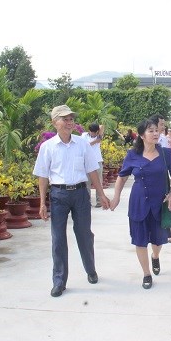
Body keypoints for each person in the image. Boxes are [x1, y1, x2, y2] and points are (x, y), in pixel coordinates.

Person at [33, 105, 111, 298]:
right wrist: (42, 203)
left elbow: (92, 170)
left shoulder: (82, 144)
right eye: (65, 119)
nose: (69, 123)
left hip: (80, 193)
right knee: (58, 238)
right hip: (58, 195)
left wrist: (101, 194)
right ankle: (59, 281)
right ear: (54, 122)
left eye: (71, 119)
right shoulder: (47, 147)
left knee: (84, 234)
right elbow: (42, 176)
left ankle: (90, 270)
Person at [110, 118, 171, 289]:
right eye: (151, 131)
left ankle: (155, 256)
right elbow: (122, 177)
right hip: (138, 203)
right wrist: (116, 197)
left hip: (160, 203)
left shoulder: (165, 154)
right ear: (142, 135)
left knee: (158, 241)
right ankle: (146, 274)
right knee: (140, 240)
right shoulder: (132, 155)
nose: (155, 133)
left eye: (157, 130)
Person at [151, 115, 171, 243]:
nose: (163, 127)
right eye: (161, 124)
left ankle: (167, 233)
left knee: (166, 202)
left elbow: (167, 155)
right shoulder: (148, 137)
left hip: (163, 173)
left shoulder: (164, 138)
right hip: (151, 173)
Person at [82, 123, 104, 208]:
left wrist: (98, 134)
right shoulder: (84, 135)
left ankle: (99, 201)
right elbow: (85, 145)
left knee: (99, 182)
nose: (93, 134)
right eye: (92, 132)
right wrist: (96, 141)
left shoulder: (99, 136)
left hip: (97, 161)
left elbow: (102, 126)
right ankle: (88, 202)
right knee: (86, 183)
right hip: (87, 162)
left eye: (95, 132)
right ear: (89, 131)